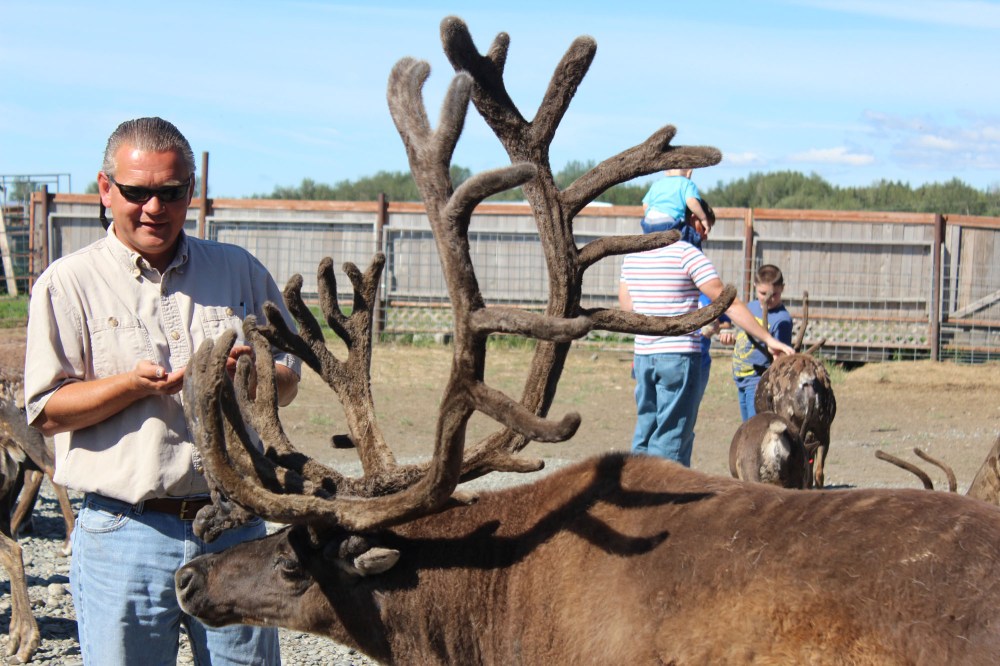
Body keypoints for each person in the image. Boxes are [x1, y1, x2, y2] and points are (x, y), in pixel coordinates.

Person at [24, 117, 301, 665]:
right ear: (106, 190)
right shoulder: (67, 283)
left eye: (170, 192)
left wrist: (253, 376)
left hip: (235, 530)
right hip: (124, 533)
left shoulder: (238, 270)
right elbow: (47, 411)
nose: (154, 207)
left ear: (190, 193)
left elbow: (288, 380)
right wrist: (129, 388)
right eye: (136, 192)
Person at [619, 216, 793, 466]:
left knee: (646, 429)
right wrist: (767, 338)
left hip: (644, 355)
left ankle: (636, 490)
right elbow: (727, 303)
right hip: (677, 356)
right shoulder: (686, 253)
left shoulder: (633, 257)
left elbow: (628, 308)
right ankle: (668, 497)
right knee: (672, 436)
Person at [719, 264, 793, 421]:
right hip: (741, 377)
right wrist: (732, 339)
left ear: (783, 288)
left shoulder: (781, 319)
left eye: (774, 294)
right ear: (755, 286)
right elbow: (746, 338)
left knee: (756, 428)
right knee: (747, 426)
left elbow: (779, 358)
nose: (769, 299)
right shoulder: (749, 308)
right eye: (763, 293)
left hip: (758, 380)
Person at [640, 168, 711, 245]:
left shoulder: (657, 183)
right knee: (690, 235)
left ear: (666, 172)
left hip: (647, 223)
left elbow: (645, 205)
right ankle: (693, 253)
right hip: (668, 223)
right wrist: (703, 218)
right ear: (689, 172)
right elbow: (691, 201)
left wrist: (652, 218)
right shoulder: (687, 183)